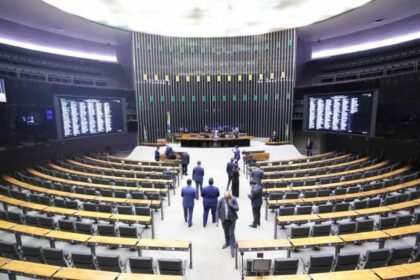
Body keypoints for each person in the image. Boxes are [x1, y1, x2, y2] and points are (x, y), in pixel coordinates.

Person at [216, 191, 239, 257]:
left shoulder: (233, 199)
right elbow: (217, 210)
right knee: (226, 232)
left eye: (227, 198)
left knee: (231, 233)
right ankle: (227, 242)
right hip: (224, 219)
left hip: (232, 219)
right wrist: (217, 221)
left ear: (229, 196)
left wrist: (230, 204)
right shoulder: (221, 200)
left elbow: (237, 208)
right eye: (225, 198)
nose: (226, 199)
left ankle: (233, 248)